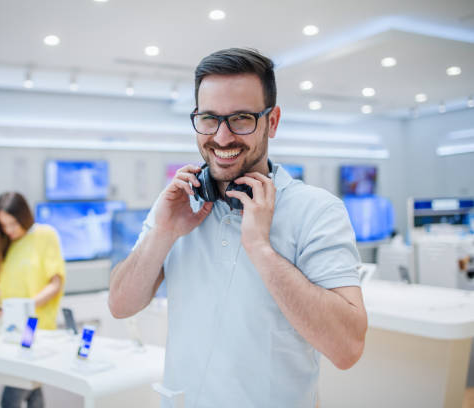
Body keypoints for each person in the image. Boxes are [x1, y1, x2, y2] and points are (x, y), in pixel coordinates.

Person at [108, 48, 367, 407]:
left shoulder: (317, 211)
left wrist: (261, 249)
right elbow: (120, 305)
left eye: (242, 118)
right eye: (210, 119)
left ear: (272, 122)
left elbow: (347, 348)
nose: (223, 137)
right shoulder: (179, 202)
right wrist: (163, 233)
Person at [0, 192, 66, 408]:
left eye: (13, 224)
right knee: (32, 392)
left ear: (24, 216)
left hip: (35, 330)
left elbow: (55, 284)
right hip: (12, 331)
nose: (9, 230)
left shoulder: (45, 235)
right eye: (3, 225)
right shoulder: (9, 244)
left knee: (11, 398)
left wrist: (24, 308)